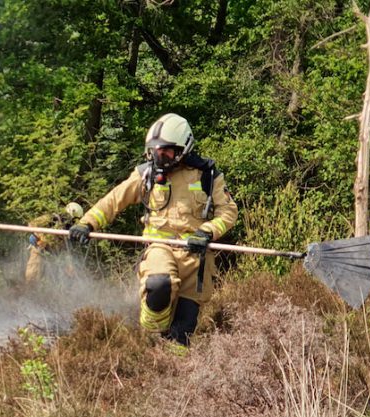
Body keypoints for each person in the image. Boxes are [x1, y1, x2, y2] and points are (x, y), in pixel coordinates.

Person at [67, 113, 238, 346]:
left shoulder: (207, 176)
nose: (160, 155)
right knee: (159, 284)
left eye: (166, 150)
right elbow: (113, 200)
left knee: (182, 333)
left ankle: (173, 368)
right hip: (160, 250)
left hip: (197, 261)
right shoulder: (146, 175)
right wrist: (87, 223)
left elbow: (228, 212)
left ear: (183, 148)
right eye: (155, 150)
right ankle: (149, 338)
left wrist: (207, 232)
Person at [25, 202, 84, 284]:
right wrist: (39, 238)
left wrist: (69, 264)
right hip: (39, 252)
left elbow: (67, 248)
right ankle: (28, 294)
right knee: (33, 278)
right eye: (74, 219)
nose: (74, 222)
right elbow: (32, 224)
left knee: (49, 284)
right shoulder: (52, 218)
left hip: (53, 257)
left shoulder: (68, 228)